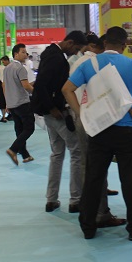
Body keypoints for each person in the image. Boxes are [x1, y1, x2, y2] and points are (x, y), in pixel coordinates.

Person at [63, 26, 132, 242]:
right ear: (125, 45)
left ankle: (88, 226)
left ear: (104, 43)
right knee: (129, 180)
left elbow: (66, 89)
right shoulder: (131, 64)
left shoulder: (88, 64)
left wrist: (82, 114)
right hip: (126, 129)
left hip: (100, 129)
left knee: (94, 179)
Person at [68, 33, 125, 225]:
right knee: (98, 167)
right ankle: (101, 213)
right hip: (98, 119)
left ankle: (90, 214)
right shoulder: (98, 63)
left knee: (88, 166)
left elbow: (68, 90)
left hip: (82, 117)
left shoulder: (77, 63)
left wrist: (79, 113)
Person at [32, 31, 88, 213]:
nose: (75, 52)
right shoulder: (57, 59)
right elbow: (41, 84)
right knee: (76, 152)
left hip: (50, 113)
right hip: (56, 112)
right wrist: (52, 108)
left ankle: (51, 199)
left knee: (57, 154)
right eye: (76, 48)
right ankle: (76, 199)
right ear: (70, 42)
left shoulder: (50, 53)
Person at [3, 44, 35, 166]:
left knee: (19, 129)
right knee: (29, 128)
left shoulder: (7, 68)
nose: (25, 55)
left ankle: (25, 155)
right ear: (16, 54)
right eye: (23, 52)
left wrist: (7, 102)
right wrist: (36, 94)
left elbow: (4, 86)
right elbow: (26, 85)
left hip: (12, 104)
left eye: (26, 52)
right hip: (22, 103)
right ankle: (13, 149)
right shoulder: (20, 68)